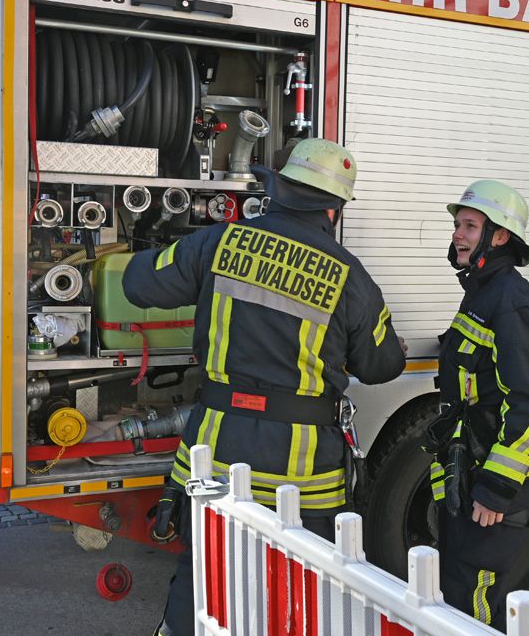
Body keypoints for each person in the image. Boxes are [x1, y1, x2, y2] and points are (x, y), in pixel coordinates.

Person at [121, 138, 407, 636]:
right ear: (334, 211)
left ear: (279, 189)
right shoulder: (350, 278)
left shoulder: (219, 243)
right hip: (304, 475)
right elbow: (382, 365)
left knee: (203, 578)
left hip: (217, 453)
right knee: (298, 595)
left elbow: (137, 285)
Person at [424, 180, 529, 632]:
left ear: (499, 237)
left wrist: (496, 487)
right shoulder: (484, 290)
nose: (457, 234)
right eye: (458, 225)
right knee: (457, 591)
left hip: (494, 486)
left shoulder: (510, 301)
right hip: (472, 473)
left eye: (469, 226)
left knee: (475, 604)